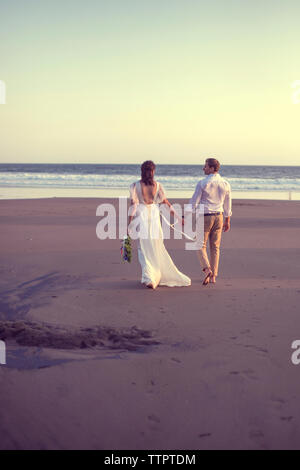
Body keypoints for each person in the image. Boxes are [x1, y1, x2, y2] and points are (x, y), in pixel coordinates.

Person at [128, 160, 191, 289]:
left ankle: (150, 278)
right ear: (153, 171)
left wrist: (129, 224)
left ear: (142, 171)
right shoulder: (158, 186)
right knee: (156, 247)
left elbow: (134, 205)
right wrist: (178, 218)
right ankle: (153, 276)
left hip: (142, 215)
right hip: (154, 216)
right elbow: (166, 203)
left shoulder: (134, 186)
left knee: (144, 249)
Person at [189, 158, 232, 285]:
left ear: (212, 168)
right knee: (215, 247)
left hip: (205, 216)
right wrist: (227, 220)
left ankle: (207, 269)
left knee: (199, 245)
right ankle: (214, 277)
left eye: (206, 166)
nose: (204, 168)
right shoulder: (225, 183)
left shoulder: (203, 183)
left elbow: (194, 202)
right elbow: (228, 204)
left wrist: (185, 215)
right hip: (219, 217)